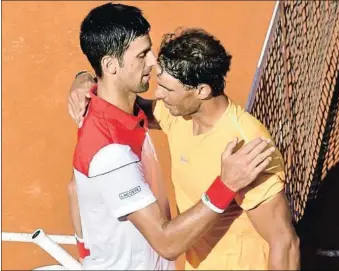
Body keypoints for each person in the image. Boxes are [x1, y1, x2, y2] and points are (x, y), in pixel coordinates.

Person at [69, 24, 300, 271]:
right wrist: (85, 80)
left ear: (201, 91)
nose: (158, 94)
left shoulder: (246, 148)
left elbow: (284, 242)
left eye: (167, 89)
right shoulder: (178, 114)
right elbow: (119, 97)